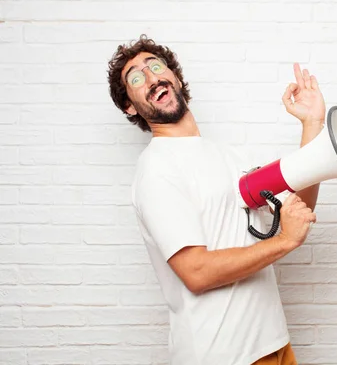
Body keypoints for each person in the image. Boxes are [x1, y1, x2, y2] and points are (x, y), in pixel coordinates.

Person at [107, 35, 325, 365]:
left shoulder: (228, 157)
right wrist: (283, 242)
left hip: (274, 345)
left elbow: (298, 208)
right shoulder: (157, 170)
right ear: (130, 106)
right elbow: (196, 272)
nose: (152, 78)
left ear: (175, 77)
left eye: (156, 66)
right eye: (136, 78)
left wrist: (313, 123)